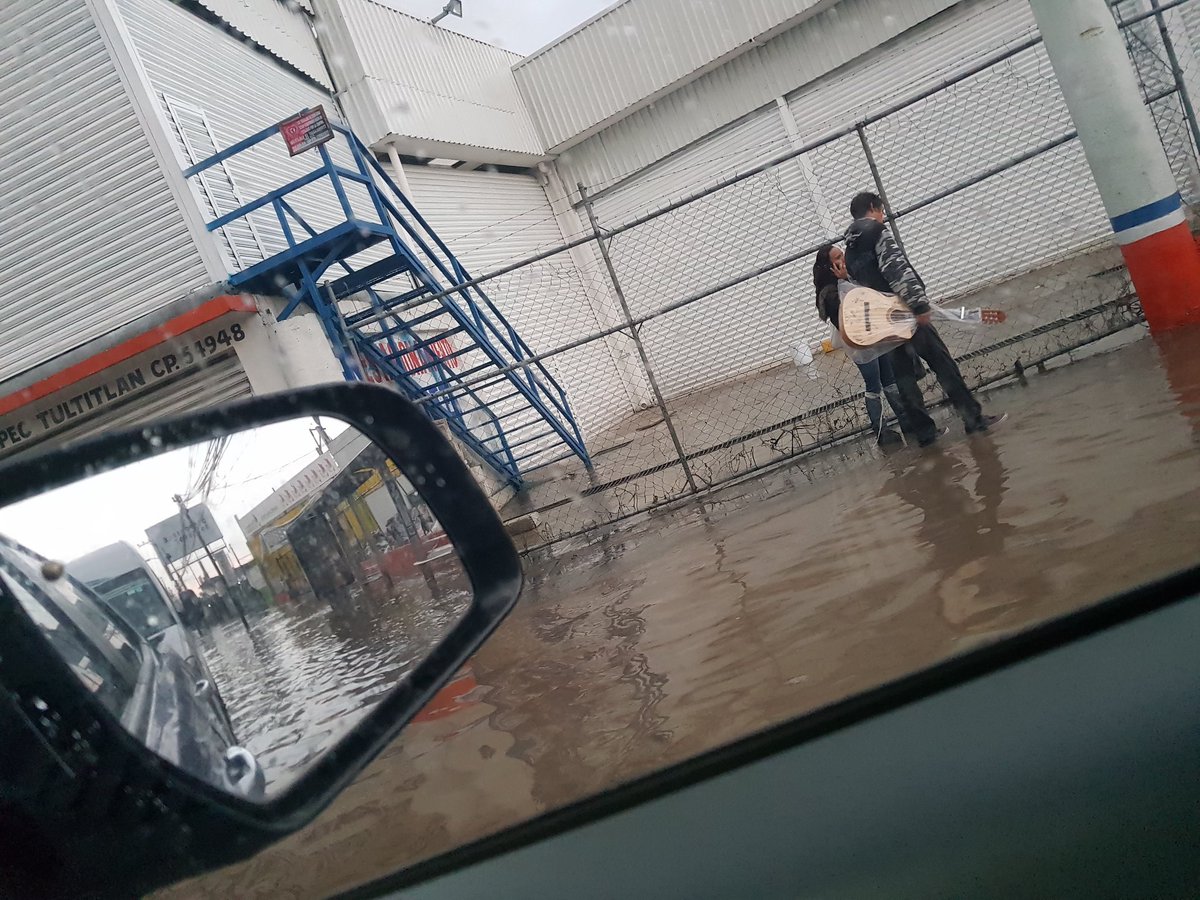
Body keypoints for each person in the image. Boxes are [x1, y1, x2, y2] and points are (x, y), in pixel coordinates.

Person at [843, 191, 1005, 445]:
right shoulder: (877, 232)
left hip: (884, 323)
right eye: (881, 211)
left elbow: (860, 291)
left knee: (905, 378)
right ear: (873, 207)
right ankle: (972, 419)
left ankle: (926, 434)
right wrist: (918, 306)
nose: (883, 217)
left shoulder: (850, 251)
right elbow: (896, 269)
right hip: (906, 312)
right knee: (943, 364)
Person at [813, 243, 907, 447]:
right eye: (837, 258)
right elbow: (845, 321)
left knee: (889, 379)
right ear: (829, 266)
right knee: (873, 385)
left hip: (874, 337)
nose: (843, 259)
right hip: (860, 344)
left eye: (842, 255)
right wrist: (843, 281)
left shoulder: (850, 280)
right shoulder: (830, 292)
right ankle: (880, 430)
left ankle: (906, 419)